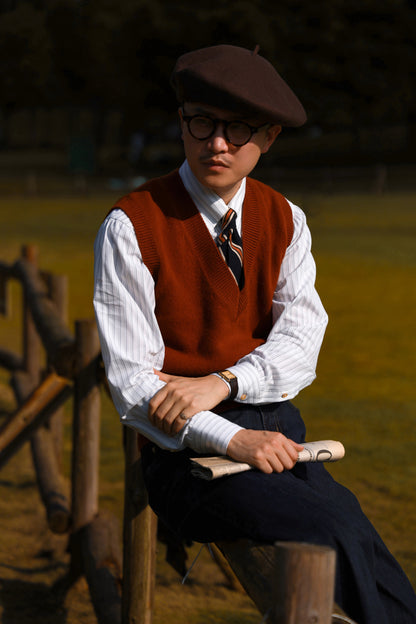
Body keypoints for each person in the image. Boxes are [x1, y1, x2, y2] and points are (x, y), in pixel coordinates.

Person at [94, 44, 416, 623]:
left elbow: (301, 342)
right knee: (333, 529)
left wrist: (221, 382)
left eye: (237, 129)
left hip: (281, 433)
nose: (215, 143)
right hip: (184, 455)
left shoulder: (287, 218)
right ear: (182, 122)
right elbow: (133, 385)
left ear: (268, 137)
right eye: (201, 122)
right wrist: (233, 439)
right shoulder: (131, 226)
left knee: (368, 545)